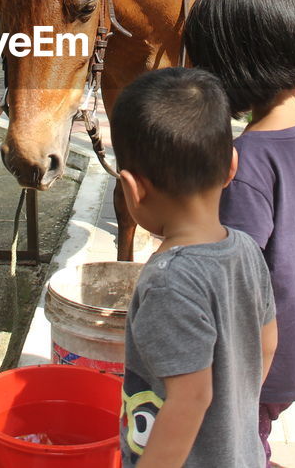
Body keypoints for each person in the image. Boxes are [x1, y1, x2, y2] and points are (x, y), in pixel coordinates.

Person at [182, 0, 295, 461]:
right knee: (254, 439)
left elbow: (233, 277)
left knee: (238, 448)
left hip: (256, 360)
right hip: (292, 341)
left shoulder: (247, 159)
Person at [114, 67, 279, 467]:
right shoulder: (245, 249)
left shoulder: (168, 282)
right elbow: (268, 342)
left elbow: (190, 399)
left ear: (132, 189)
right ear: (231, 167)